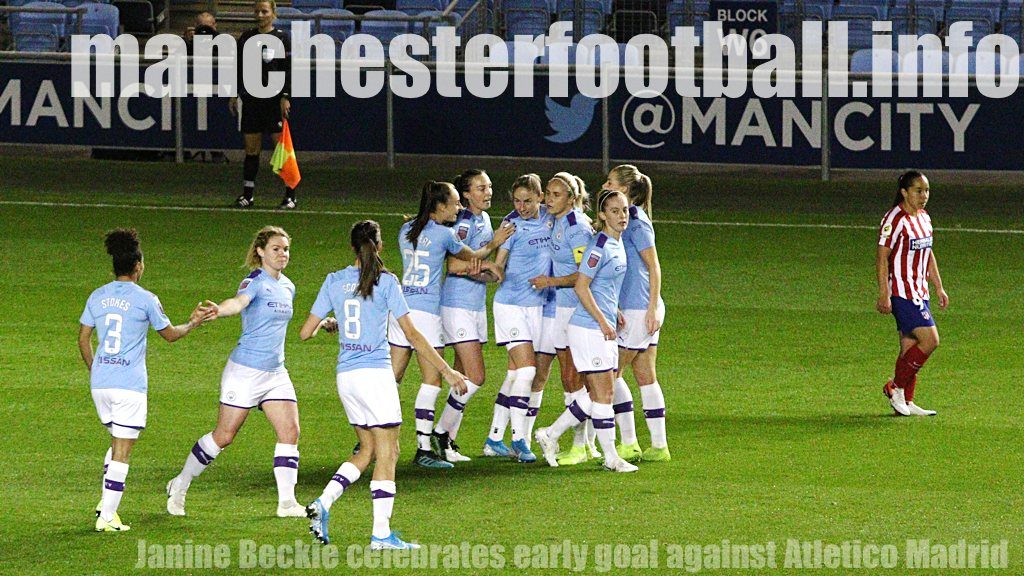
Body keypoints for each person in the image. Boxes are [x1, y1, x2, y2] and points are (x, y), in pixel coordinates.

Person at [302, 221, 469, 550]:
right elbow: (413, 336)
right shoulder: (388, 281)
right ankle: (381, 534)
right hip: (375, 377)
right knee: (389, 452)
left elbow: (305, 332)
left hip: (346, 378)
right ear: (378, 246)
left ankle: (323, 503)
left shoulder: (333, 281)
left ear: (353, 247)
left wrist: (328, 323)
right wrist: (448, 370)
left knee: (368, 450)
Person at [166, 226, 307, 517]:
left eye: (286, 249)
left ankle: (287, 503)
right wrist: (220, 309)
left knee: (290, 432)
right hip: (245, 371)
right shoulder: (254, 281)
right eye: (276, 249)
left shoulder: (289, 286)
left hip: (275, 373)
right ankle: (180, 484)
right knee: (224, 436)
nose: (283, 255)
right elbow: (238, 302)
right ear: (260, 252)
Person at [78, 229, 211, 532]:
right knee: (123, 450)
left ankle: (104, 502)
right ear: (138, 265)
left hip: (101, 384)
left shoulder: (97, 295)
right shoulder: (146, 299)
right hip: (128, 386)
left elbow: (84, 339)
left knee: (115, 441)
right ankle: (108, 517)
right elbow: (169, 335)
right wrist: (193, 322)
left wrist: (95, 369)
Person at [390, 181, 508, 468]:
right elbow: (473, 257)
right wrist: (493, 247)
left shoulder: (406, 230)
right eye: (454, 204)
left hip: (400, 310)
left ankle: (370, 435)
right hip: (427, 313)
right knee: (431, 382)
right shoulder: (445, 234)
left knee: (391, 380)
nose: (458, 209)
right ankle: (423, 450)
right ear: (440, 206)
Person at [535, 190, 638, 473]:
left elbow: (604, 286)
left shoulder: (619, 243)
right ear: (602, 215)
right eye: (615, 211)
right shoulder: (599, 246)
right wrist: (604, 322)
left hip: (600, 326)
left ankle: (551, 434)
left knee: (597, 392)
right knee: (604, 394)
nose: (621, 217)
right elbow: (581, 286)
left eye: (625, 211)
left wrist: (613, 311)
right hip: (589, 328)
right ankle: (611, 458)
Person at [432, 170, 505, 463]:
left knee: (461, 377)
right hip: (456, 304)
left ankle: (448, 443)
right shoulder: (461, 224)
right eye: (480, 188)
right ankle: (437, 434)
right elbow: (451, 265)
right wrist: (485, 264)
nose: (487, 192)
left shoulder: (484, 219)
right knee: (475, 376)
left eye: (489, 186)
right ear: (465, 194)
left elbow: (476, 267)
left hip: (475, 305)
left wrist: (487, 272)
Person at [528, 172, 600, 466]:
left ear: (571, 199)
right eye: (548, 192)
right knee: (572, 379)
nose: (548, 199)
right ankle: (587, 445)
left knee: (575, 379)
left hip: (575, 310)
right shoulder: (556, 220)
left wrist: (551, 281)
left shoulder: (576, 228)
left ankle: (579, 445)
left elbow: (586, 275)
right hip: (563, 309)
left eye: (555, 195)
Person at [602, 164, 669, 462]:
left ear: (625, 190)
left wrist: (651, 308)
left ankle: (628, 442)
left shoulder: (636, 222)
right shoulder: (629, 218)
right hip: (639, 306)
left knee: (609, 374)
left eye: (611, 182)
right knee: (645, 375)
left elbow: (654, 266)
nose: (605, 185)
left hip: (638, 308)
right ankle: (658, 446)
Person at [488, 174, 554, 463]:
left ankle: (493, 437)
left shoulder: (551, 220)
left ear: (541, 197)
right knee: (527, 371)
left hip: (537, 307)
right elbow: (500, 261)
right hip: (510, 304)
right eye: (517, 200)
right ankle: (518, 440)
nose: (522, 206)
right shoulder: (511, 225)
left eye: (528, 200)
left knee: (515, 374)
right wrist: (493, 271)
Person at [877, 170, 946, 416]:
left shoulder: (924, 217)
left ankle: (906, 401)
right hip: (902, 293)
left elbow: (928, 253)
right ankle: (895, 386)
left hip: (920, 291)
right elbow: (882, 257)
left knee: (908, 349)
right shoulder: (894, 219)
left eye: (926, 190)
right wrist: (884, 293)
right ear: (905, 192)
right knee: (930, 340)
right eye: (918, 190)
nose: (923, 195)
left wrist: (938, 286)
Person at [230, 0, 296, 210]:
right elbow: (237, 68)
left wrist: (285, 96)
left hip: (273, 101)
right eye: (257, 11)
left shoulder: (282, 38)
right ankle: (247, 195)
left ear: (273, 14)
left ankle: (290, 196)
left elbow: (287, 69)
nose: (260, 15)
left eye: (264, 11)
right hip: (251, 100)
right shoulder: (247, 37)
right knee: (251, 148)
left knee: (281, 149)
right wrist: (233, 93)